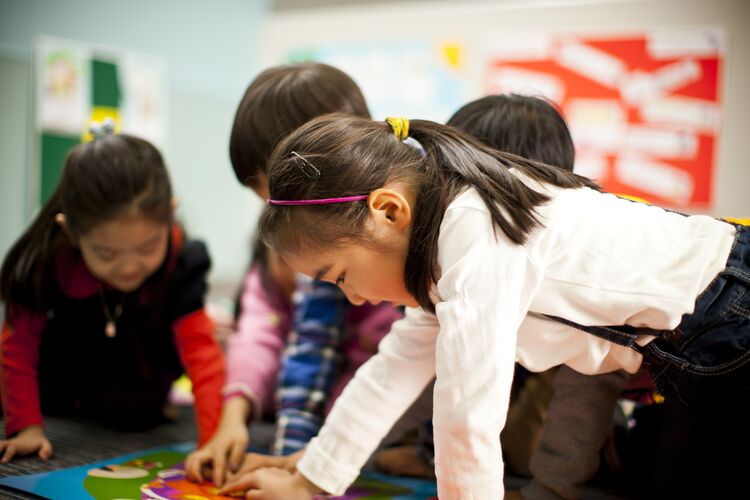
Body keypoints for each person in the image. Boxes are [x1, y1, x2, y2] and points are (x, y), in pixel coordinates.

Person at [221, 114, 749, 499]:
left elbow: (468, 411)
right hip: (701, 332)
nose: (355, 296)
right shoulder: (437, 245)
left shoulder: (472, 232)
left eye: (341, 276)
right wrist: (313, 476)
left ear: (387, 211)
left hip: (729, 317)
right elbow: (392, 370)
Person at [185, 62, 403, 487]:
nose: (277, 218)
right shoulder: (280, 253)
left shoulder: (386, 250)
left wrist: (322, 457)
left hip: (371, 424)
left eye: (280, 195)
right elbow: (259, 332)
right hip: (312, 427)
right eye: (264, 200)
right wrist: (234, 415)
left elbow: (387, 362)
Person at [0, 126, 225, 463]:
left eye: (148, 247)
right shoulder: (43, 262)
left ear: (169, 217)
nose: (129, 268)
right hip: (65, 367)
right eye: (107, 255)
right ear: (71, 232)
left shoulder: (182, 259)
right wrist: (26, 427)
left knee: (132, 412)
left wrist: (213, 440)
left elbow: (201, 352)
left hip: (142, 366)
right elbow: (17, 347)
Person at [448, 94, 632, 499]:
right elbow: (422, 347)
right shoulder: (477, 248)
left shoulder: (570, 253)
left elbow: (591, 380)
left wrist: (548, 489)